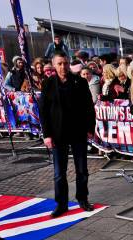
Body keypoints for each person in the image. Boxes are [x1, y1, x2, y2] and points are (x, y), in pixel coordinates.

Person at [39, 52, 96, 217]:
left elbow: (88, 108)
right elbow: (43, 111)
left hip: (78, 132)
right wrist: (47, 134)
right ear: (54, 65)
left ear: (69, 64)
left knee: (82, 170)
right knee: (59, 173)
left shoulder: (80, 81)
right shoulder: (48, 84)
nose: (63, 67)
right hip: (58, 134)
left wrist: (90, 129)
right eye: (59, 64)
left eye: (65, 63)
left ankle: (83, 199)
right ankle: (61, 203)